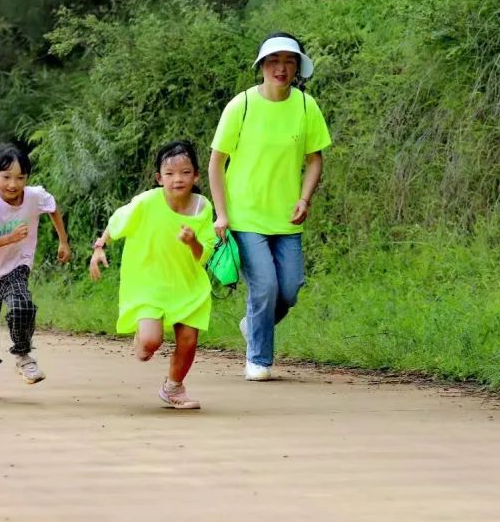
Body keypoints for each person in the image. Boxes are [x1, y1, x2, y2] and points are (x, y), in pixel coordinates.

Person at [208, 32, 331, 381]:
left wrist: (304, 199)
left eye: (289, 61)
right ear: (262, 65)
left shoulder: (307, 107)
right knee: (265, 286)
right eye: (274, 61)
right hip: (246, 216)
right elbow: (216, 163)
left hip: (286, 217)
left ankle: (253, 324)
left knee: (289, 289)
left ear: (298, 67)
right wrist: (222, 213)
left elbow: (315, 160)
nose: (282, 68)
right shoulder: (241, 106)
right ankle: (258, 360)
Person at [89, 140, 215, 410]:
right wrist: (99, 247)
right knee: (148, 345)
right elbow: (117, 221)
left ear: (196, 175)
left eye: (184, 172)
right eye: (169, 174)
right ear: (159, 178)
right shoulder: (146, 202)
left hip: (187, 283)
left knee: (189, 340)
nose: (177, 179)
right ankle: (143, 336)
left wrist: (192, 241)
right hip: (148, 282)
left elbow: (204, 254)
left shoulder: (203, 208)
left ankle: (173, 387)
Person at [0, 143, 71, 400]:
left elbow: (52, 208)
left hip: (15, 266)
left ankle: (23, 355)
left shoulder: (34, 196)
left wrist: (63, 241)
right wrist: (10, 238)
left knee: (22, 305)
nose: (13, 184)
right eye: (6, 177)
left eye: (20, 178)